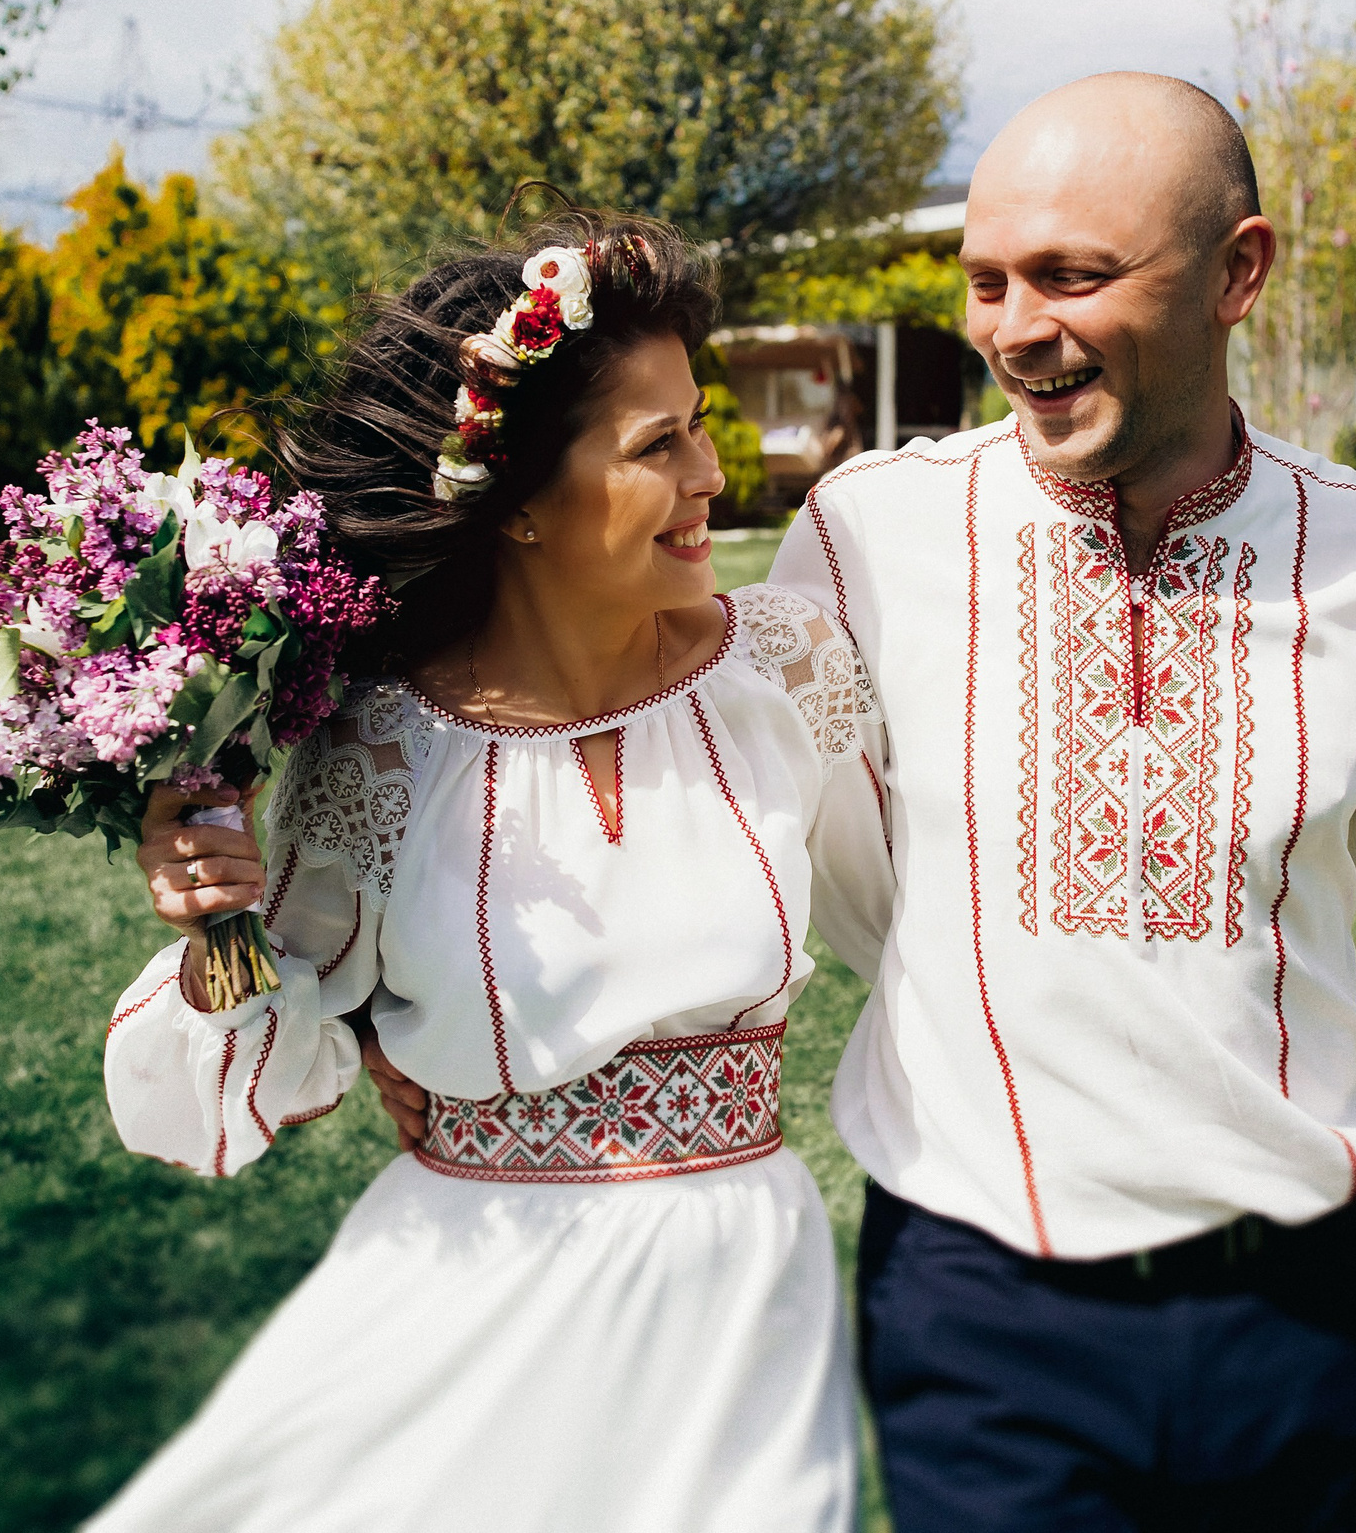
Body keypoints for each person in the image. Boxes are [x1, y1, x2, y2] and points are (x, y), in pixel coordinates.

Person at [758, 73, 1356, 1528]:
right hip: (976, 1314)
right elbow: (770, 826)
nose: (1016, 327)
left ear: (1240, 272)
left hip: (1300, 1313)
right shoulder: (866, 538)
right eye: (987, 281)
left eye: (1073, 276)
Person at [91, 215, 892, 1532]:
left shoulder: (787, 673)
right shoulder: (377, 756)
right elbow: (256, 1081)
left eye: (699, 422)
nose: (711, 472)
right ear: (518, 500)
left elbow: (923, 903)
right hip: (468, 1308)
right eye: (658, 445)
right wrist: (215, 920)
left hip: (744, 1297)